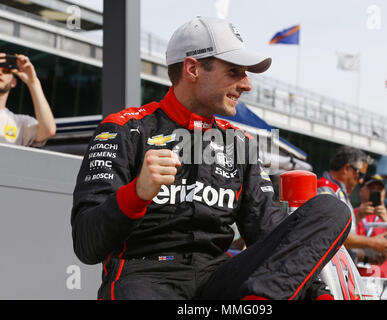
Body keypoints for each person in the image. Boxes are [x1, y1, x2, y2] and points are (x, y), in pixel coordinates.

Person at [71, 16, 351, 300]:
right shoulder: (124, 130)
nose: (247, 85)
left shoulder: (239, 143)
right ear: (192, 69)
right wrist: (137, 193)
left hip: (217, 280)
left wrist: (319, 293)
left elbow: (274, 238)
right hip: (145, 276)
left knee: (331, 209)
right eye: (234, 72)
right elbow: (86, 244)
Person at [317, 146, 387, 264]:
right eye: (361, 175)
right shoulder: (326, 191)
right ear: (347, 168)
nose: (361, 181)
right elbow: (333, 237)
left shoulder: (338, 193)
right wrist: (372, 242)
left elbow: (342, 245)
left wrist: (367, 258)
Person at [0, 53, 56, 146]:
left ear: (13, 82)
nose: (0, 72)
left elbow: (48, 131)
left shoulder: (19, 123)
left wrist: (33, 83)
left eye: (6, 70)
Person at [355, 175, 387, 278]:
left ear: (384, 194)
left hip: (381, 279)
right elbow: (343, 239)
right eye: (371, 188)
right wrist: (358, 217)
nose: (375, 192)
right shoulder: (351, 213)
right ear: (361, 191)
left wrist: (386, 220)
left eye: (379, 190)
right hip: (353, 276)